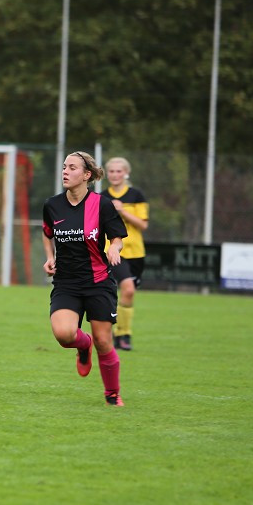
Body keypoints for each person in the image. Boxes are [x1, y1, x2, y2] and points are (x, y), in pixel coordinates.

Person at [43, 151, 129, 407]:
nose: (65, 172)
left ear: (87, 175)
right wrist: (49, 257)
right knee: (63, 334)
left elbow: (117, 237)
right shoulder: (52, 205)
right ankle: (84, 345)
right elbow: (47, 233)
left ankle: (112, 394)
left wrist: (114, 248)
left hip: (98, 281)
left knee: (105, 342)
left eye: (72, 168)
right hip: (66, 282)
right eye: (64, 167)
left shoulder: (101, 204)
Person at [102, 157, 149, 350]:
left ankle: (121, 334)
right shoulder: (103, 196)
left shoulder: (136, 195)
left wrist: (122, 211)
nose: (115, 175)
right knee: (126, 289)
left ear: (126, 173)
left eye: (118, 171)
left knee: (128, 294)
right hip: (113, 251)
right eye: (111, 171)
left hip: (136, 253)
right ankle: (123, 336)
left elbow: (142, 224)